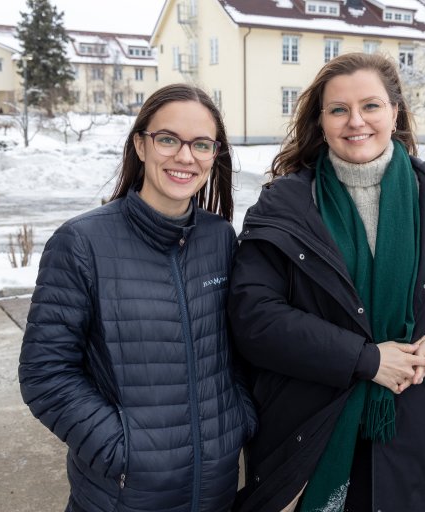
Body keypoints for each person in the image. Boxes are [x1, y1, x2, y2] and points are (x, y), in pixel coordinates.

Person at [227, 52, 425, 511]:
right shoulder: (284, 206)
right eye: (338, 109)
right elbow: (254, 317)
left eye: (371, 106)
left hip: (406, 421)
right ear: (320, 122)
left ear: (395, 112)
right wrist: (364, 359)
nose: (355, 121)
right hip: (304, 422)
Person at [19, 83, 256, 512]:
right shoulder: (81, 243)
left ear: (214, 154)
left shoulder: (220, 239)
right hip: (123, 494)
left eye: (201, 144)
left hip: (215, 489)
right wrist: (120, 448)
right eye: (168, 139)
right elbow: (45, 373)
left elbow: (235, 350)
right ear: (140, 145)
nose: (185, 156)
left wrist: (237, 421)